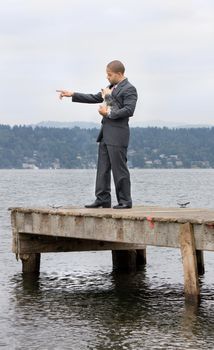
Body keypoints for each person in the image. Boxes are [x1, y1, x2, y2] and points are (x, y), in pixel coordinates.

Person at [57, 60, 138, 209]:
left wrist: (108, 106)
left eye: (109, 74)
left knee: (119, 169)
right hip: (105, 134)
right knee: (102, 169)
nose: (107, 77)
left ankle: (125, 201)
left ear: (119, 74)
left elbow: (128, 110)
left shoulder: (130, 89)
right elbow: (94, 98)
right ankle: (102, 199)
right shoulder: (110, 87)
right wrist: (72, 94)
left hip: (118, 135)